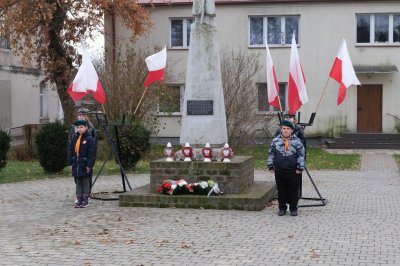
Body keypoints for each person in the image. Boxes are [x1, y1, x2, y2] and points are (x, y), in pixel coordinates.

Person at [267, 120, 305, 216]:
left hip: (293, 170)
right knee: (281, 189)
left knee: (293, 189)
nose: (286, 130)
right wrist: (270, 165)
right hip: (279, 169)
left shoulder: (297, 142)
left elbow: (301, 155)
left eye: (288, 129)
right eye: (284, 128)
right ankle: (282, 208)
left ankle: (293, 208)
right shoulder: (275, 141)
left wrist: (300, 167)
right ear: (281, 129)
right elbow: (271, 153)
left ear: (292, 130)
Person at [67, 107, 97, 197]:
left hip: (86, 156)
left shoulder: (91, 128)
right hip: (76, 156)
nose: (81, 116)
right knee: (77, 177)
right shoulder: (74, 127)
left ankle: (87, 194)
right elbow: (69, 141)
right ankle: (79, 194)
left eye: (83, 115)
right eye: (80, 115)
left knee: (87, 177)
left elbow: (94, 142)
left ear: (87, 116)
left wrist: (90, 159)